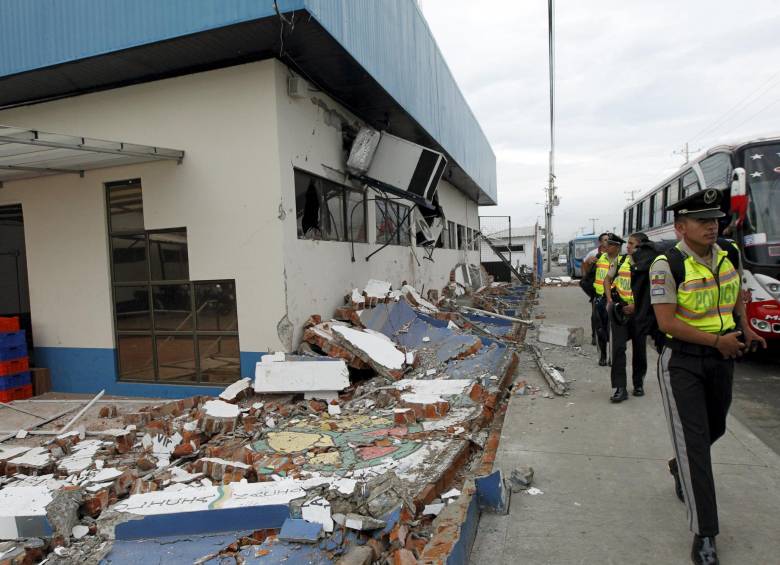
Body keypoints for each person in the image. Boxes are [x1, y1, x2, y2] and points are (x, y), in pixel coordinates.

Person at [650, 188, 766, 565]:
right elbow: (666, 323)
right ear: (681, 227)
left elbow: (735, 297)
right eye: (702, 221)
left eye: (715, 220)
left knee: (714, 427)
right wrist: (719, 341)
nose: (712, 227)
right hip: (682, 362)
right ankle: (705, 534)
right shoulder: (666, 264)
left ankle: (678, 465)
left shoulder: (730, 254)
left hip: (722, 358)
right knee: (695, 446)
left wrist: (744, 330)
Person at [603, 232, 648, 402]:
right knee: (618, 349)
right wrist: (609, 299)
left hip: (639, 313)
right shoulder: (620, 261)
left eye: (632, 244)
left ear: (641, 247)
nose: (627, 246)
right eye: (627, 243)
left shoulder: (649, 264)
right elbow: (608, 279)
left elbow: (651, 292)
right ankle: (620, 388)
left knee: (639, 349)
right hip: (620, 311)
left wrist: (636, 306)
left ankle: (638, 383)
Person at [592, 233, 623, 366]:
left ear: (617, 247)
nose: (606, 245)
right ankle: (603, 355)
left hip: (616, 299)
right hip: (600, 298)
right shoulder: (600, 258)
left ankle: (612, 357)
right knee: (601, 329)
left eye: (609, 244)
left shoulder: (622, 261)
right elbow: (588, 272)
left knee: (614, 330)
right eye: (606, 242)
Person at [583, 233, 609, 345]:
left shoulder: (613, 253)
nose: (607, 242)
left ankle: (607, 335)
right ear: (600, 242)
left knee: (608, 314)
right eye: (605, 240)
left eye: (609, 240)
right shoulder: (594, 254)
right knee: (596, 314)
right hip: (596, 289)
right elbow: (584, 266)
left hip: (610, 289)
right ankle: (595, 335)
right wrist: (588, 264)